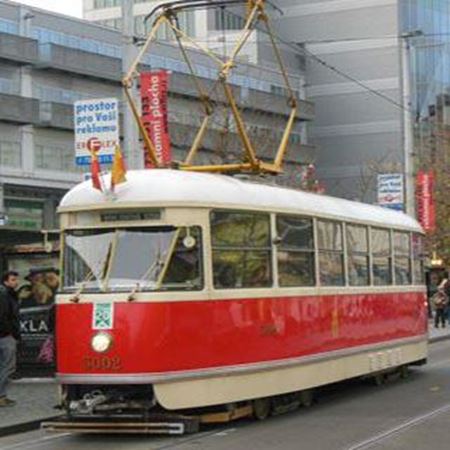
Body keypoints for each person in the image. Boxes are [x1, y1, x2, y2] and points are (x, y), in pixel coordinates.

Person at [0, 270, 20, 407]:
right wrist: (11, 333)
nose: (16, 282)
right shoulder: (5, 295)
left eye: (16, 279)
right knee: (8, 367)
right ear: (6, 281)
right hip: (5, 336)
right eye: (13, 280)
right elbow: (5, 316)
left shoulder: (7, 294)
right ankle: (1, 396)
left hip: (4, 334)